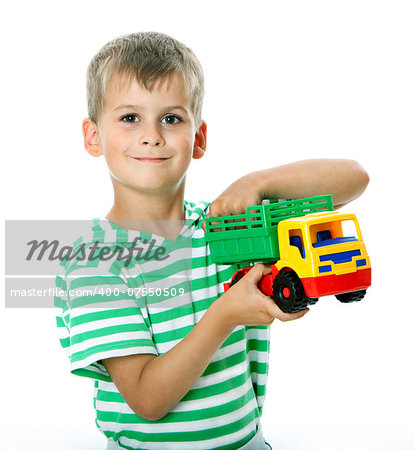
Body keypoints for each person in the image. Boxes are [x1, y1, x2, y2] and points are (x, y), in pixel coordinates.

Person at [55, 31, 369, 450]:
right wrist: (225, 314)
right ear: (93, 136)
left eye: (171, 118)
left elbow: (354, 177)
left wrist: (257, 181)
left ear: (198, 138)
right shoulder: (94, 260)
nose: (152, 135)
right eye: (130, 118)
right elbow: (148, 399)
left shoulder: (224, 222)